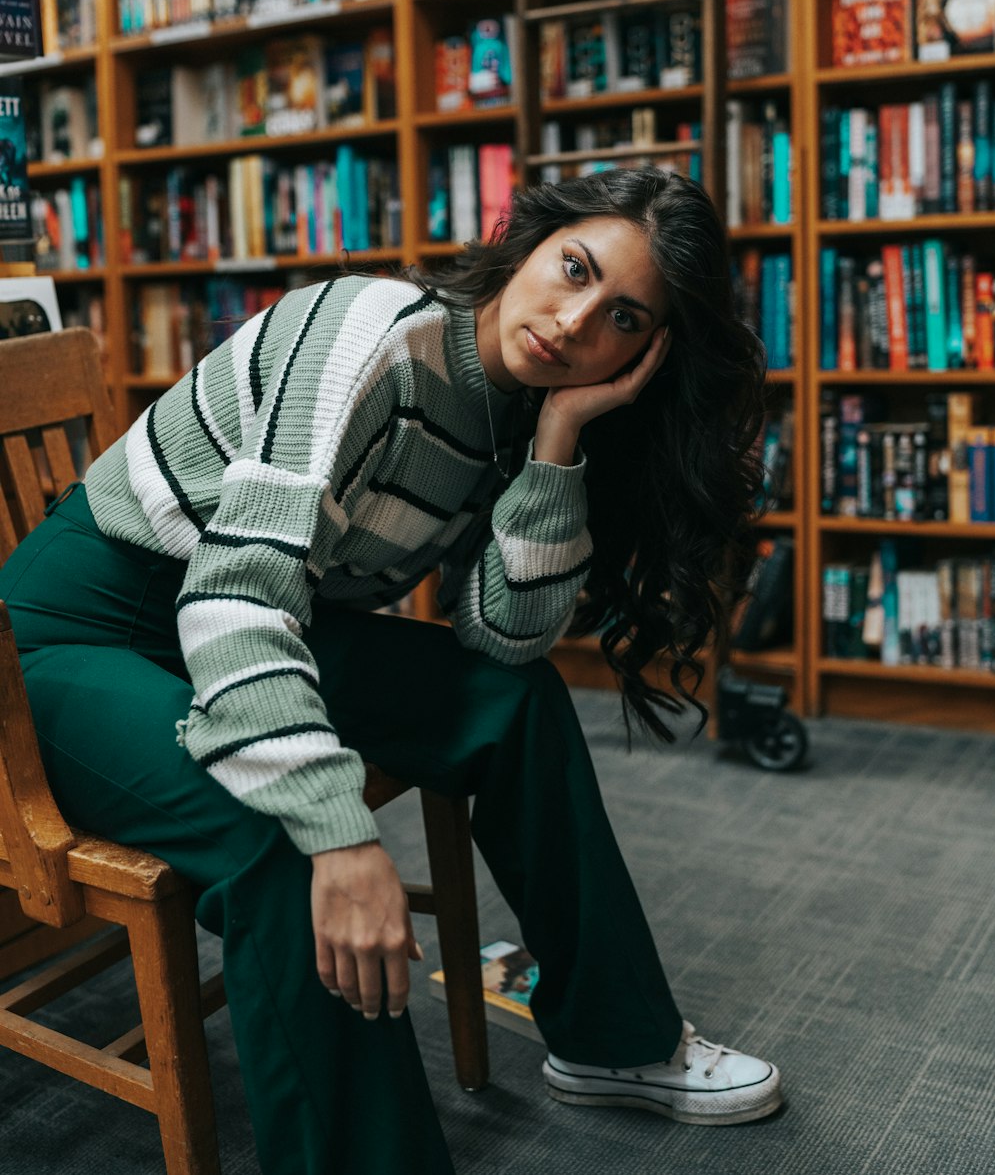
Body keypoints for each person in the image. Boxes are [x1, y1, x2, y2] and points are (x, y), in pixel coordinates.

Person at [0, 166, 778, 1174]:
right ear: (528, 240)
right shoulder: (372, 338)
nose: (573, 319)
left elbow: (506, 637)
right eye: (573, 268)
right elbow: (233, 601)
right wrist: (341, 830)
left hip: (246, 616)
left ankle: (613, 1037)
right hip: (69, 639)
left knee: (515, 702)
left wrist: (555, 441)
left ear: (644, 352)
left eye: (621, 315)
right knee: (279, 838)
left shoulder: (524, 399)